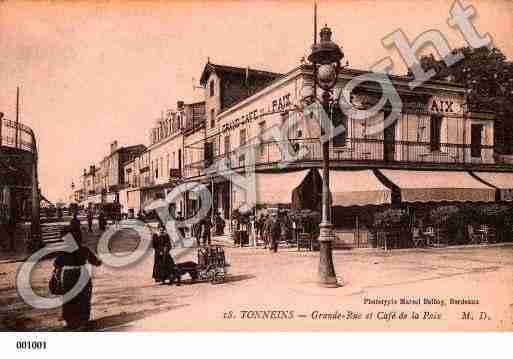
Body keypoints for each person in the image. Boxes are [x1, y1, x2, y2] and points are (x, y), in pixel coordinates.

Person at [53, 226, 102, 329]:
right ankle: (83, 320)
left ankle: (69, 321)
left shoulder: (62, 251)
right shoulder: (84, 249)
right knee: (84, 297)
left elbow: (57, 264)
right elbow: (96, 262)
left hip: (67, 275)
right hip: (81, 274)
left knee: (68, 297)